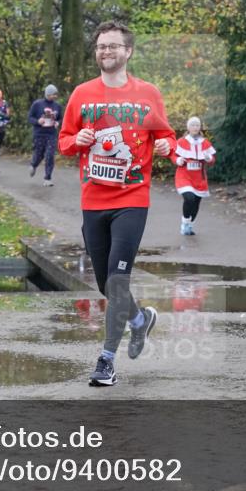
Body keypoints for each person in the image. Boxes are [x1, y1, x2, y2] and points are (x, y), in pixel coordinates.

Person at [58, 20, 176, 386]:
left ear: (128, 52)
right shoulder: (82, 94)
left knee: (118, 279)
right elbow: (63, 143)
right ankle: (140, 320)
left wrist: (166, 147)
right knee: (106, 285)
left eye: (112, 46)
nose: (105, 51)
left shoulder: (148, 94)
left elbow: (168, 138)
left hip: (132, 199)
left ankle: (106, 360)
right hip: (93, 199)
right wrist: (79, 139)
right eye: (100, 47)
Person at [173, 116, 216, 235]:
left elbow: (212, 161)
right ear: (188, 127)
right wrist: (178, 160)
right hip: (184, 176)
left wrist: (209, 158)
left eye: (197, 125)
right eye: (193, 125)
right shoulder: (182, 141)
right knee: (189, 198)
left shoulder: (205, 142)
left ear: (200, 127)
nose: (195, 127)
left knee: (196, 201)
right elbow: (173, 156)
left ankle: (190, 225)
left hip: (199, 178)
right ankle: (185, 222)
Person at [28, 84, 63, 186]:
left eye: (56, 94)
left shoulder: (57, 106)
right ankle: (33, 165)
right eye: (53, 94)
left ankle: (47, 178)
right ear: (48, 94)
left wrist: (57, 122)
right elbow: (30, 117)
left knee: (50, 155)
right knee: (39, 154)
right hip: (39, 134)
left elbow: (59, 118)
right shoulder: (37, 104)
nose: (55, 96)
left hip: (51, 134)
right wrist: (38, 121)